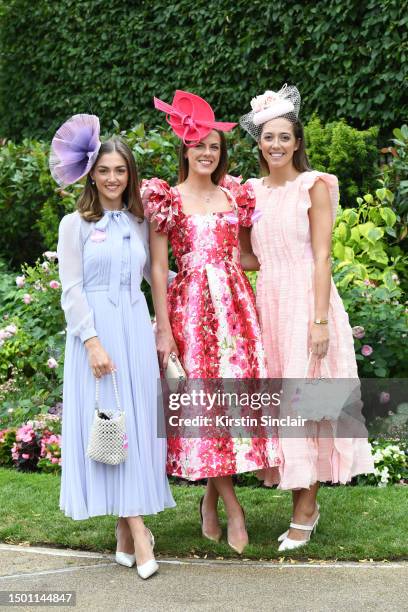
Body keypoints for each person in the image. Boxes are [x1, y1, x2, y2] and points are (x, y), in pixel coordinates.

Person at [142, 91, 279, 554]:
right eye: (198, 145)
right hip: (192, 310)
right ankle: (233, 508)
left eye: (214, 147)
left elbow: (245, 256)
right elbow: (159, 268)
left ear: (221, 154)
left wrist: (288, 260)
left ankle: (209, 501)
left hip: (236, 313)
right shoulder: (166, 198)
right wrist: (163, 327)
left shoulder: (233, 195)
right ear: (184, 149)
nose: (206, 153)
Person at [239, 85, 374, 551]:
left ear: (297, 142)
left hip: (307, 302)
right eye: (267, 137)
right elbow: (251, 257)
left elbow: (321, 257)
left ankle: (306, 509)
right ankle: (298, 498)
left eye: (284, 137)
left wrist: (319, 321)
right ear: (259, 142)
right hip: (268, 304)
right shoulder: (250, 192)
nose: (275, 145)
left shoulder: (313, 184)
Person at [52, 114, 175, 579]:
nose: (111, 178)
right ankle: (139, 531)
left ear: (131, 175)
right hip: (97, 335)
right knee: (110, 425)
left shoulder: (141, 222)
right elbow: (71, 289)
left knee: (136, 426)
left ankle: (124, 532)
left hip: (135, 330)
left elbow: (155, 276)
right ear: (91, 173)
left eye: (120, 170)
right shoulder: (75, 224)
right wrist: (92, 342)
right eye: (103, 170)